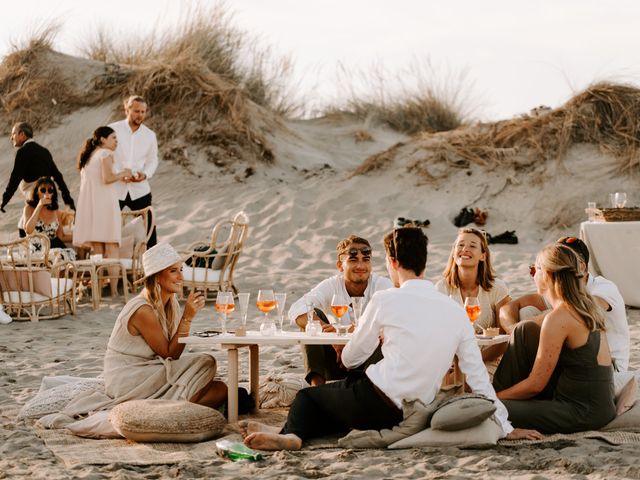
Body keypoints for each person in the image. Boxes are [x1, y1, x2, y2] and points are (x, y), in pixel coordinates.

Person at [242, 227, 539, 450]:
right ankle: (301, 429)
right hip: (415, 409)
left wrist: (352, 343)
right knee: (335, 403)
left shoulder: (385, 299)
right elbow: (477, 376)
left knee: (308, 397)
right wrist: (506, 425)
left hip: (377, 400)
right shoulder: (455, 310)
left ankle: (292, 437)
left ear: (393, 262)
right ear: (423, 261)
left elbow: (350, 358)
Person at [493, 243, 616, 434]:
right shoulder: (583, 304)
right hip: (594, 402)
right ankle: (498, 396)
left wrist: (495, 398)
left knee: (489, 409)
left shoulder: (559, 318)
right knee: (524, 330)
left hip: (582, 411)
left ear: (548, 275)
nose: (533, 275)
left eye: (535, 269)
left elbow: (535, 386)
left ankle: (492, 397)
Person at [104, 242, 227, 409]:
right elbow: (170, 353)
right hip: (128, 377)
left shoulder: (171, 304)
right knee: (206, 362)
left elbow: (170, 355)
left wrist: (185, 317)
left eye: (181, 270)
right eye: (173, 271)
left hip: (152, 369)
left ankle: (178, 406)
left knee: (221, 388)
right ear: (156, 277)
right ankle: (173, 408)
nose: (181, 277)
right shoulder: (143, 310)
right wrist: (188, 317)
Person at [499, 236, 629, 371]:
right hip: (574, 360)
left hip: (609, 366)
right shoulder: (558, 289)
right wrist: (513, 329)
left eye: (562, 264)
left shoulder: (604, 287)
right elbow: (508, 308)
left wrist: (524, 328)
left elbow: (580, 308)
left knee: (537, 321)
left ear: (582, 267)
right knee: (526, 311)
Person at [287, 235, 393, 386]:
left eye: (366, 259)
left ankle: (367, 389)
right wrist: (329, 335)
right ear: (340, 266)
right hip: (338, 360)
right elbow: (297, 309)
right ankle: (317, 388)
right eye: (353, 260)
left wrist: (346, 332)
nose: (361, 265)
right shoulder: (332, 285)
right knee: (312, 319)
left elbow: (395, 316)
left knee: (387, 332)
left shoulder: (382, 285)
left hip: (369, 361)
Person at [436, 227, 511, 368]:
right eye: (461, 245)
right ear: (453, 253)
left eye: (472, 246)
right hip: (450, 361)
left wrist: (473, 362)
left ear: (483, 256)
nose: (465, 249)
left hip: (487, 361)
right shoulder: (442, 288)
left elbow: (504, 340)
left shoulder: (497, 289)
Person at [2, 122, 75, 236]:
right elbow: (58, 176)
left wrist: (4, 200)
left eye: (13, 134)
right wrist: (68, 199)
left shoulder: (23, 152)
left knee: (25, 227)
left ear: (22, 134)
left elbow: (15, 178)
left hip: (35, 197)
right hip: (48, 195)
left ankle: (32, 251)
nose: (11, 138)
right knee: (39, 226)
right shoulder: (44, 151)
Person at [72, 126, 130, 260]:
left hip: (93, 206)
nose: (117, 141)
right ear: (103, 139)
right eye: (113, 138)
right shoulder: (105, 153)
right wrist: (124, 173)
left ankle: (100, 280)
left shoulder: (89, 157)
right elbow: (107, 178)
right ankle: (114, 282)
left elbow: (99, 179)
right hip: (105, 204)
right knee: (112, 246)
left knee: (98, 249)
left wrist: (119, 177)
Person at [109, 95, 158, 247]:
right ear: (127, 110)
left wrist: (145, 174)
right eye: (137, 111)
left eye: (143, 112)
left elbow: (153, 160)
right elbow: (106, 155)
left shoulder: (150, 135)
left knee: (150, 227)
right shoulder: (112, 129)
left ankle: (155, 264)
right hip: (115, 188)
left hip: (140, 189)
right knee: (109, 227)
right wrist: (118, 174)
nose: (140, 115)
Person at [21, 176, 72, 249]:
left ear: (53, 193)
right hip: (37, 248)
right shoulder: (28, 208)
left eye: (50, 190)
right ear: (37, 192)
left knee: (67, 255)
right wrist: (39, 206)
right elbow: (28, 231)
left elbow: (61, 236)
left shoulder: (55, 210)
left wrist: (82, 239)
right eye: (43, 190)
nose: (47, 193)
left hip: (55, 247)